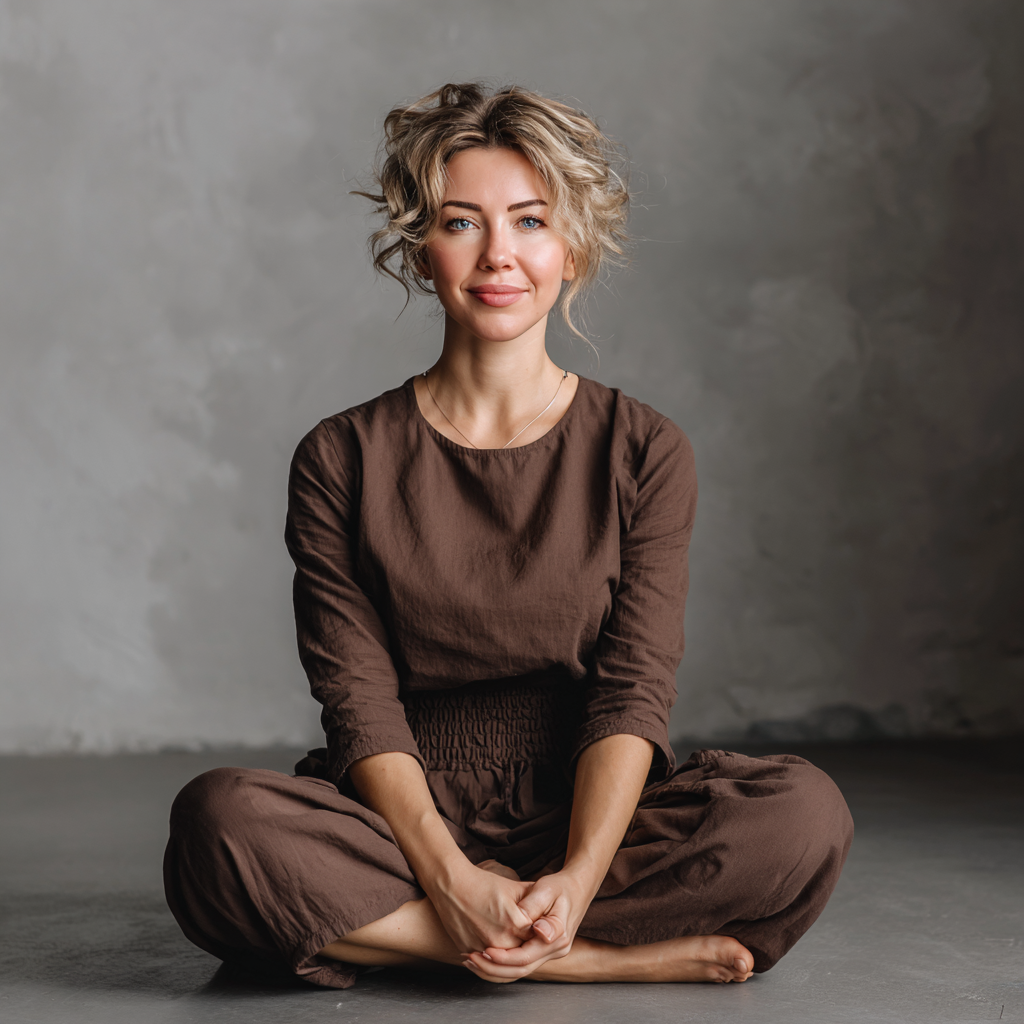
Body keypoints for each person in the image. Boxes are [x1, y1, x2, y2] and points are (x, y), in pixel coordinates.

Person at [163, 82, 853, 990]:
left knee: (802, 813)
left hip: (591, 805)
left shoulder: (645, 449)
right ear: (421, 248)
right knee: (218, 822)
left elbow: (633, 690)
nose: (499, 255)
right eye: (462, 223)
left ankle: (423, 934)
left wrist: (577, 878)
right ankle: (588, 961)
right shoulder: (340, 456)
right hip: (401, 811)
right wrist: (452, 880)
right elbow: (358, 702)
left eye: (531, 222)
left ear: (574, 248)